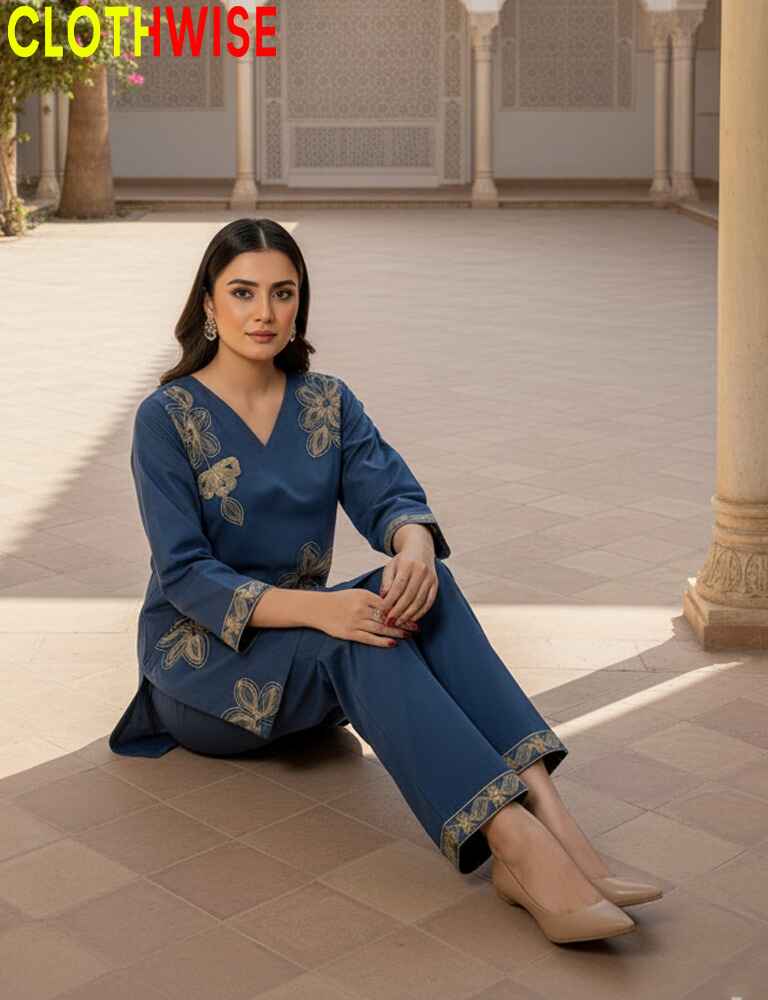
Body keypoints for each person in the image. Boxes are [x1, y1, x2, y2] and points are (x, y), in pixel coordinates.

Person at [108, 217, 662, 945]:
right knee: (360, 629)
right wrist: (328, 612)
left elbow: (390, 495)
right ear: (208, 304)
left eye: (283, 293)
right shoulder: (165, 418)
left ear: (300, 304)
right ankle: (518, 852)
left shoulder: (326, 401)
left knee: (426, 591)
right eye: (242, 292)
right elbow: (184, 576)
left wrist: (413, 548)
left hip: (311, 655)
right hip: (205, 673)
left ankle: (561, 829)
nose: (264, 312)